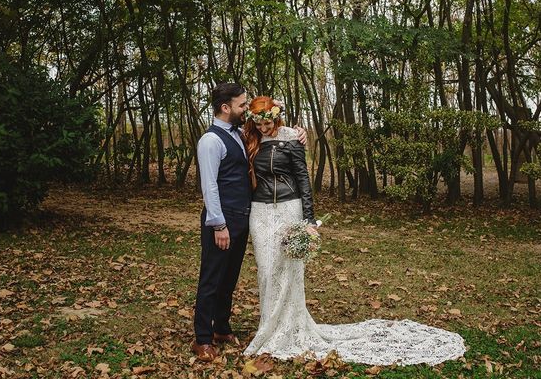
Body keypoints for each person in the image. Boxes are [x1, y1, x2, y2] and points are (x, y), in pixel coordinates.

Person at [242, 96, 467, 366]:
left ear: (276, 117)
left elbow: (302, 178)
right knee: (267, 270)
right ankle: (268, 326)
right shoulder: (248, 138)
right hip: (261, 211)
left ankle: (286, 328)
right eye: (260, 123)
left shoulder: (292, 137)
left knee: (290, 270)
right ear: (253, 120)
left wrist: (310, 219)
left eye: (268, 123)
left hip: (290, 208)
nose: (265, 128)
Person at [192, 84, 306, 362]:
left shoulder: (240, 134)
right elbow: (209, 186)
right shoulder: (210, 141)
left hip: (243, 218)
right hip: (222, 220)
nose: (245, 109)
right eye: (241, 105)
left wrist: (299, 129)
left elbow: (267, 120)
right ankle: (202, 338)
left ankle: (221, 327)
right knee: (212, 277)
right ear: (225, 108)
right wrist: (218, 225)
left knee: (229, 277)